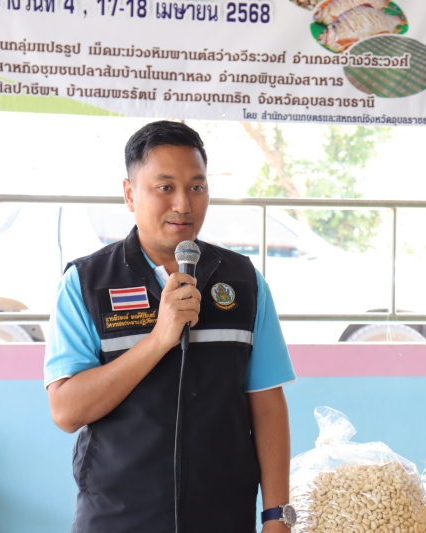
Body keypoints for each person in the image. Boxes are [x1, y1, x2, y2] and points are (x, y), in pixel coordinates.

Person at [45, 120, 297, 533]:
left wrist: (277, 516)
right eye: (165, 187)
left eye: (196, 187)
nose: (183, 204)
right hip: (118, 519)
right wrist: (159, 339)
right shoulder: (86, 283)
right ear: (130, 194)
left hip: (223, 519)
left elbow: (268, 406)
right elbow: (67, 411)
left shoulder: (244, 282)